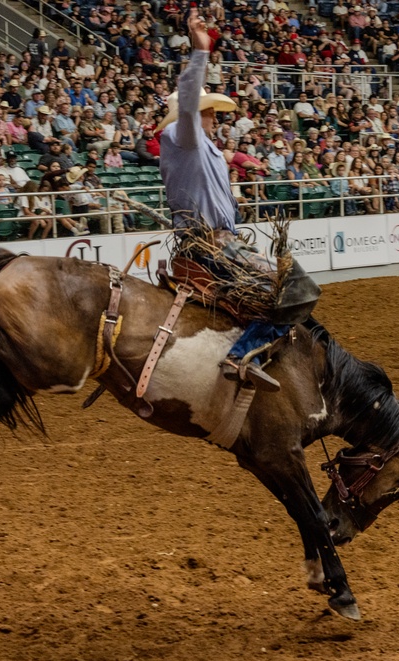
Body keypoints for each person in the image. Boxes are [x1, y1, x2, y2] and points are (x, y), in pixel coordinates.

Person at [158, 8, 319, 392]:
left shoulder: (200, 147)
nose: (214, 114)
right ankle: (240, 355)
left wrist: (241, 161)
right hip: (212, 244)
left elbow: (223, 159)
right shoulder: (180, 138)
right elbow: (188, 95)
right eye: (209, 110)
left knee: (281, 288)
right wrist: (200, 52)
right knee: (294, 288)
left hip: (220, 238)